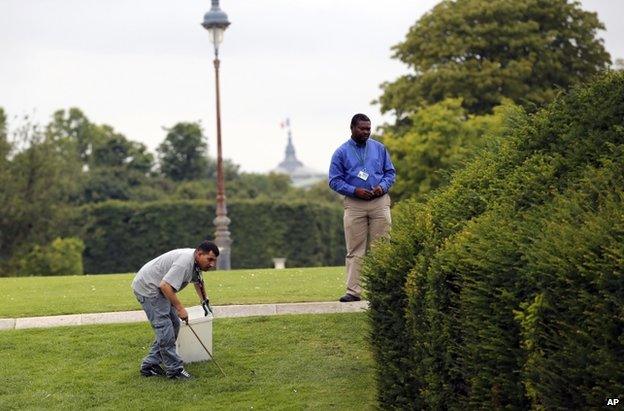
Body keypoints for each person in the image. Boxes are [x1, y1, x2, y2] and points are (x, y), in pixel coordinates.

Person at [329, 113, 396, 302]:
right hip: (355, 205)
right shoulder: (341, 152)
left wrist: (382, 187)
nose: (366, 132)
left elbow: (390, 173)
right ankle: (353, 291)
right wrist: (354, 190)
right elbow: (334, 180)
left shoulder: (379, 148)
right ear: (352, 128)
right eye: (362, 128)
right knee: (355, 249)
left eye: (368, 128)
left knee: (382, 248)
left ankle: (382, 291)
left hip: (380, 202)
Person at [131, 240, 219, 379]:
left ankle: (150, 365)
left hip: (158, 288)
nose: (212, 264)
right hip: (149, 288)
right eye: (209, 259)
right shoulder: (184, 263)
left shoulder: (195, 263)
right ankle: (174, 370)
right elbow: (165, 286)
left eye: (214, 260)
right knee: (165, 328)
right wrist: (180, 308)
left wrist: (205, 302)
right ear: (199, 253)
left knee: (175, 324)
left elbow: (198, 282)